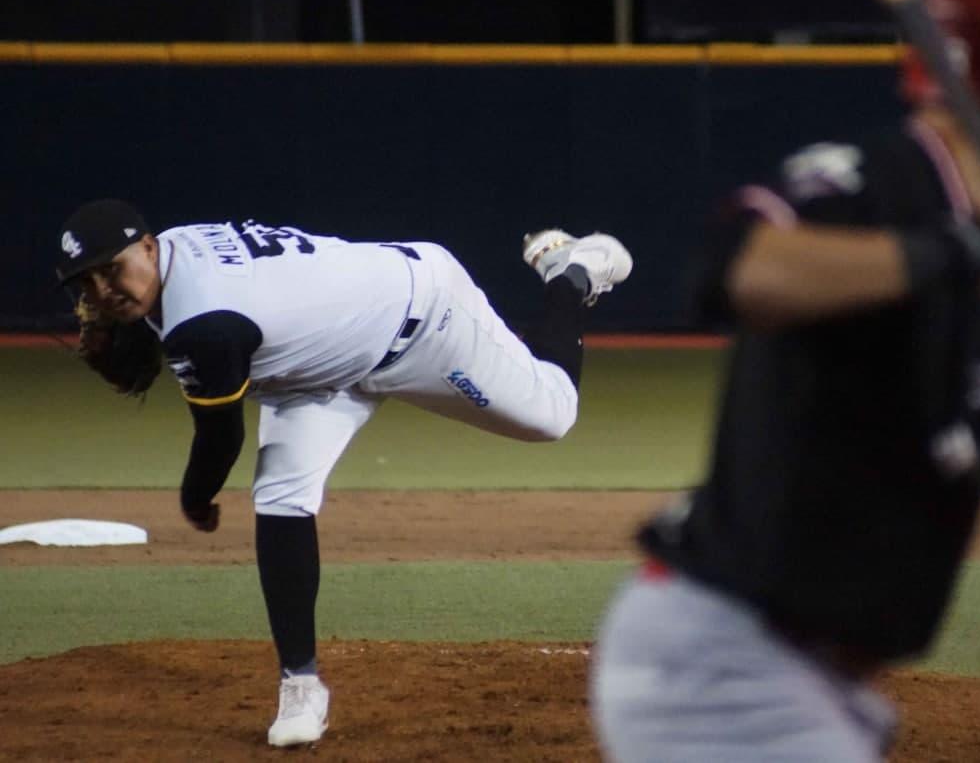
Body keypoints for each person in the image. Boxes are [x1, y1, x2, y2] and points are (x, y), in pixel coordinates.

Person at [590, 0, 980, 762]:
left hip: (810, 683)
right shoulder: (879, 183)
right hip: (725, 664)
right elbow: (736, 271)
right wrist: (963, 253)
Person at [54, 202, 631, 747]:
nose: (104, 291)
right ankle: (300, 687)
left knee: (552, 415)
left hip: (422, 319)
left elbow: (220, 437)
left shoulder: (204, 322)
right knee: (280, 497)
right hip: (314, 370)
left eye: (112, 270)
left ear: (149, 248)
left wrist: (195, 497)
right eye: (87, 282)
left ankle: (570, 272)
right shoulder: (175, 256)